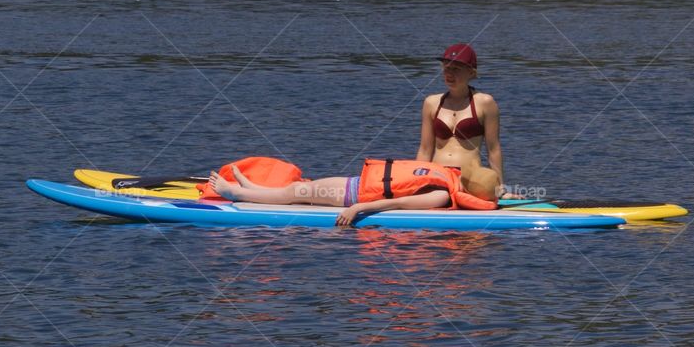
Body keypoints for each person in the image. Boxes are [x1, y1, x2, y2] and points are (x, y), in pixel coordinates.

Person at [209, 159, 498, 227]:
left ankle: (238, 194)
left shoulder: (442, 194)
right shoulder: (448, 178)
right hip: (355, 183)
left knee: (298, 192)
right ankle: (254, 189)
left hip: (352, 196)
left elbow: (398, 202)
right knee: (299, 190)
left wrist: (357, 209)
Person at [416, 43, 519, 198]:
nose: (449, 73)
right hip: (438, 176)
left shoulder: (485, 102)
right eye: (446, 68)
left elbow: (493, 149)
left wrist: (500, 188)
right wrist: (416, 180)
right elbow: (425, 150)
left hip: (470, 178)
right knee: (437, 196)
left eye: (456, 69)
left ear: (471, 72)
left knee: (443, 197)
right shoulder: (431, 103)